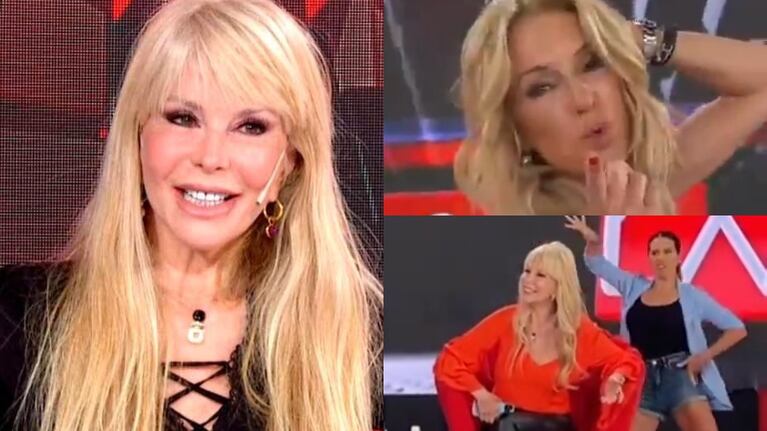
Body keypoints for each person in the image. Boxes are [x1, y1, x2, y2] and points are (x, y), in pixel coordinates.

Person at [0, 1, 382, 430]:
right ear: (137, 137)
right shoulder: (16, 323)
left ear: (290, 162)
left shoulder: (358, 334)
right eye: (183, 118)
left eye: (251, 127)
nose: (211, 157)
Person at [454, 0, 767, 214]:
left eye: (592, 64)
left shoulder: (646, 186)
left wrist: (645, 40)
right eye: (543, 88)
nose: (583, 100)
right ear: (515, 128)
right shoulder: (519, 244)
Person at [433, 241, 644, 431]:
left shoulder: (579, 330)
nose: (528, 280)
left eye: (540, 275)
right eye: (527, 271)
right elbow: (452, 359)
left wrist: (616, 378)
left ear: (558, 285)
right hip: (506, 423)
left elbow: (625, 361)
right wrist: (481, 394)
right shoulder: (506, 320)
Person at [566, 216, 747, 431]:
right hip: (641, 378)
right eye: (655, 252)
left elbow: (737, 328)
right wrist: (593, 241)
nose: (660, 257)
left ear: (678, 256)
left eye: (667, 251)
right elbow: (597, 263)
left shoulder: (692, 296)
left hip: (679, 375)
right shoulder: (633, 286)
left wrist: (703, 357)